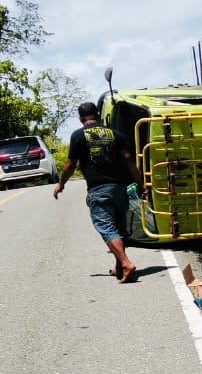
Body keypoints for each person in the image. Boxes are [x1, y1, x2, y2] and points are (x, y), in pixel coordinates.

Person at [53, 101, 145, 283]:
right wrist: (140, 184)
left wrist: (61, 184)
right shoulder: (115, 134)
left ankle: (126, 263)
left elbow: (70, 164)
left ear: (81, 119)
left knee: (106, 228)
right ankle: (119, 267)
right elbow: (128, 159)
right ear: (97, 115)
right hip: (120, 189)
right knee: (118, 228)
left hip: (99, 189)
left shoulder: (78, 136)